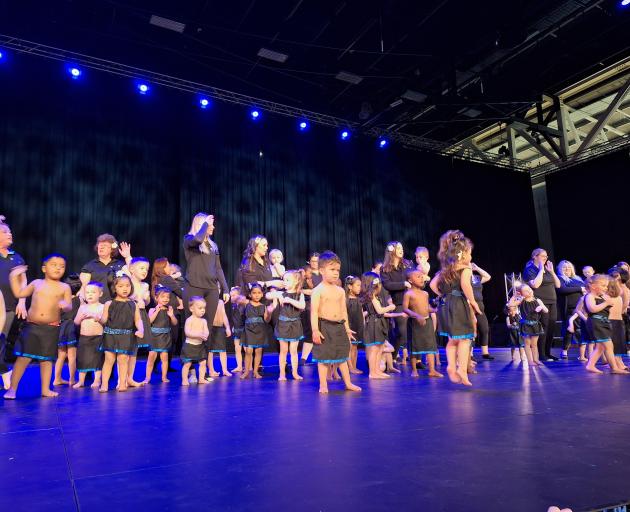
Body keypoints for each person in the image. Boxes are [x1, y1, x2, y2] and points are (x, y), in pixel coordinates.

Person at [4, 254, 72, 399]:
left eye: (62, 266)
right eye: (54, 264)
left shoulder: (64, 287)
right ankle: (12, 389)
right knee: (23, 358)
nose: (58, 268)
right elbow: (19, 293)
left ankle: (45, 389)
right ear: (44, 268)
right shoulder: (36, 283)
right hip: (32, 327)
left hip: (51, 328)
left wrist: (65, 305)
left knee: (46, 359)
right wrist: (13, 276)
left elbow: (69, 306)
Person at [430, 230, 480, 386]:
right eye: (470, 253)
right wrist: (473, 301)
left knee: (452, 339)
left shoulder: (445, 270)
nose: (471, 257)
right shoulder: (465, 269)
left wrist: (445, 294)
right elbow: (465, 285)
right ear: (463, 254)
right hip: (459, 304)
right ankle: (461, 370)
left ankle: (451, 366)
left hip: (446, 305)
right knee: (465, 338)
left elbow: (432, 285)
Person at [310, 251, 361, 394]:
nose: (335, 273)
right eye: (332, 269)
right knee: (324, 358)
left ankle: (348, 383)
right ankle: (323, 384)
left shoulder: (340, 291)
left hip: (339, 327)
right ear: (321, 270)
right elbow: (314, 312)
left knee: (342, 357)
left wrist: (347, 328)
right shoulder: (318, 290)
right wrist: (315, 330)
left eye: (337, 270)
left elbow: (343, 311)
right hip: (324, 327)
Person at [183, 213, 229, 342]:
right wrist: (205, 223)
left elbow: (218, 268)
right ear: (201, 224)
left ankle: (204, 360)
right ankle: (189, 360)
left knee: (207, 327)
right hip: (194, 287)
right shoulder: (189, 239)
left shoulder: (213, 246)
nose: (213, 227)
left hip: (212, 289)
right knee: (192, 324)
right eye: (211, 224)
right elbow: (198, 240)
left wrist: (225, 289)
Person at [98, 274, 144, 392]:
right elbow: (104, 319)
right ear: (115, 288)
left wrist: (141, 329)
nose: (125, 288)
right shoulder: (109, 304)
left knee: (123, 360)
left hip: (126, 335)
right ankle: (104, 384)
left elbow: (138, 319)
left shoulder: (133, 304)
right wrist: (98, 318)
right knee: (109, 359)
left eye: (128, 286)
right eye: (121, 286)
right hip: (111, 335)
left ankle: (123, 383)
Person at [0, 217, 27, 389]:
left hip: (8, 307)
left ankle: (4, 374)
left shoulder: (16, 257)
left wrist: (22, 301)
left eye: (9, 231)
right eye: (4, 231)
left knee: (1, 341)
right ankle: (4, 372)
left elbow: (23, 281)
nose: (9, 234)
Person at [403, 268, 442, 378]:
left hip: (427, 322)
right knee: (415, 347)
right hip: (415, 323)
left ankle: (432, 370)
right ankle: (414, 370)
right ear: (410, 280)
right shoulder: (408, 294)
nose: (421, 278)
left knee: (430, 346)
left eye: (422, 276)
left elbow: (426, 307)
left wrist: (433, 310)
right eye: (418, 277)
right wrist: (417, 316)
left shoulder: (425, 293)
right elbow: (405, 309)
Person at [523, 249, 560, 361]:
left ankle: (548, 352)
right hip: (540, 302)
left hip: (552, 301)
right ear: (535, 256)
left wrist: (552, 271)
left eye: (546, 256)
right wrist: (540, 270)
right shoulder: (529, 270)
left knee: (551, 328)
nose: (545, 258)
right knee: (542, 328)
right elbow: (535, 285)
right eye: (543, 256)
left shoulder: (548, 270)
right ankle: (541, 354)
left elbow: (558, 285)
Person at [584, 274, 624, 374]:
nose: (605, 288)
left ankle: (590, 365)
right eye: (603, 285)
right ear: (593, 286)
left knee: (600, 347)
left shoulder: (601, 296)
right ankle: (614, 368)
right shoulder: (590, 296)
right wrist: (605, 303)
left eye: (606, 286)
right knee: (609, 345)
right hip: (597, 323)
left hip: (603, 323)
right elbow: (592, 309)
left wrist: (608, 302)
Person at [380, 241, 412, 368]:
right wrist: (403, 284)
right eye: (398, 248)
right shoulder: (385, 269)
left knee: (414, 330)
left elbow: (414, 277)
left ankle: (417, 360)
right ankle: (392, 357)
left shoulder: (407, 264)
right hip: (399, 301)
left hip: (412, 300)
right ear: (391, 251)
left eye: (402, 248)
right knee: (401, 332)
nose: (401, 250)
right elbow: (387, 285)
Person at [272, 270, 305, 381]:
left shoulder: (300, 294)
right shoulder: (281, 293)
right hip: (283, 325)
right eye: (283, 280)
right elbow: (268, 295)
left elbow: (302, 306)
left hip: (295, 324)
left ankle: (295, 373)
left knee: (294, 351)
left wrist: (289, 300)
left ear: (296, 281)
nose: (284, 282)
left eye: (287, 280)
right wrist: (276, 294)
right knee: (283, 351)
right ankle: (282, 374)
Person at [361, 272, 395, 379]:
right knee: (374, 349)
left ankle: (377, 370)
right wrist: (391, 307)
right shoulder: (372, 297)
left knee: (380, 348)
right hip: (374, 323)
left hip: (379, 323)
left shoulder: (376, 296)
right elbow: (379, 310)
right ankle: (372, 372)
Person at [73, 282, 105, 389]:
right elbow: (76, 322)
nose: (90, 294)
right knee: (82, 359)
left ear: (100, 294)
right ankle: (81, 380)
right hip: (84, 338)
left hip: (98, 337)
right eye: (87, 292)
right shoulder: (82, 307)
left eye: (93, 292)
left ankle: (97, 380)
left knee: (97, 359)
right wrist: (81, 318)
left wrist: (97, 317)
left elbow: (106, 322)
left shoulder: (102, 307)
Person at [241, 283, 275, 379]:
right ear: (250, 294)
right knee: (249, 350)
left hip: (260, 330)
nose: (256, 295)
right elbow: (236, 299)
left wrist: (269, 312)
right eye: (254, 293)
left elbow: (267, 320)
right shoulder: (246, 303)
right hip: (249, 330)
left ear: (262, 294)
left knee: (258, 351)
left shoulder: (263, 306)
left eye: (259, 293)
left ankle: (256, 372)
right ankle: (246, 371)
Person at [144, 287, 178, 383]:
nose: (166, 299)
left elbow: (175, 323)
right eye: (163, 297)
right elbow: (149, 321)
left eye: (168, 297)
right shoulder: (152, 309)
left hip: (165, 338)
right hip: (154, 337)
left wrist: (171, 315)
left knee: (164, 359)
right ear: (156, 298)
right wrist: (157, 311)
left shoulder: (169, 310)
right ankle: (147, 377)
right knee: (151, 359)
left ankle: (164, 377)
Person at [53, 274, 82, 386]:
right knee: (72, 356)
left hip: (61, 327)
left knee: (61, 355)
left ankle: (57, 379)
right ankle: (72, 379)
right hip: (71, 327)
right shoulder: (79, 301)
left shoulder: (61, 301)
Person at [79, 234, 125, 303]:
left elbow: (132, 278)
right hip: (96, 306)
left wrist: (127, 257)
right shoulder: (89, 266)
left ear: (112, 249)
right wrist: (82, 304)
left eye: (105, 246)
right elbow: (84, 287)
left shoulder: (120, 265)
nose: (101, 248)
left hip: (116, 305)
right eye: (100, 246)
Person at [512, 284, 547, 366]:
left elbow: (546, 310)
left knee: (534, 344)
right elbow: (511, 304)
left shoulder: (537, 300)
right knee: (527, 343)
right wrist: (514, 296)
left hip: (535, 324)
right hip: (526, 325)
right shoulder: (521, 300)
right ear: (521, 293)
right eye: (526, 291)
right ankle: (530, 361)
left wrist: (541, 307)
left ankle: (536, 359)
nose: (529, 291)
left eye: (529, 289)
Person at [556, 260, 585, 359]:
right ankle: (564, 351)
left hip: (582, 308)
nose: (567, 269)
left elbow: (585, 289)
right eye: (564, 267)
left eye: (568, 267)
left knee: (581, 331)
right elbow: (562, 290)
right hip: (569, 308)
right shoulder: (560, 278)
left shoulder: (578, 279)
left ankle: (582, 354)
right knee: (569, 330)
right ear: (560, 269)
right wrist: (579, 289)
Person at [181, 296, 210, 385]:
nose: (202, 310)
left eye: (204, 308)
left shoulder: (204, 321)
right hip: (190, 346)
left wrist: (205, 335)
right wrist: (198, 335)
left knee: (203, 362)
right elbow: (187, 332)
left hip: (200, 346)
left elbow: (206, 331)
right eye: (200, 308)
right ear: (191, 308)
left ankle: (201, 378)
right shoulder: (189, 320)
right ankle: (184, 380)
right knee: (187, 364)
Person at [471, 262, 493, 360]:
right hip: (469, 306)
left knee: (484, 329)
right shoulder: (463, 278)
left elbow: (488, 276)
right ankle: (470, 354)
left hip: (480, 305)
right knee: (471, 331)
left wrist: (477, 267)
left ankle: (485, 353)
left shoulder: (476, 278)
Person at [206, 299, 232, 378]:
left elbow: (223, 314)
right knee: (210, 351)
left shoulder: (220, 302)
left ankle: (224, 370)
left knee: (223, 350)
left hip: (219, 327)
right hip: (210, 327)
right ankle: (211, 370)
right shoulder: (207, 300)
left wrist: (227, 327)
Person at [345, 275, 364, 375]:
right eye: (357, 285)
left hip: (358, 326)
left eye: (360, 285)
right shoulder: (346, 300)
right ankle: (350, 367)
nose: (359, 288)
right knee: (350, 347)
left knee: (355, 348)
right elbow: (344, 315)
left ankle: (354, 366)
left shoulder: (359, 299)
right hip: (350, 326)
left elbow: (361, 313)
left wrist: (363, 324)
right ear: (349, 286)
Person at [228, 286, 246, 373]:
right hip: (237, 329)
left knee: (246, 349)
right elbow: (234, 318)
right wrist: (233, 326)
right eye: (231, 296)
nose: (232, 297)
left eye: (234, 295)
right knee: (237, 349)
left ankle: (248, 366)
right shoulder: (234, 306)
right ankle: (239, 366)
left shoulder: (244, 305)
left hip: (244, 329)